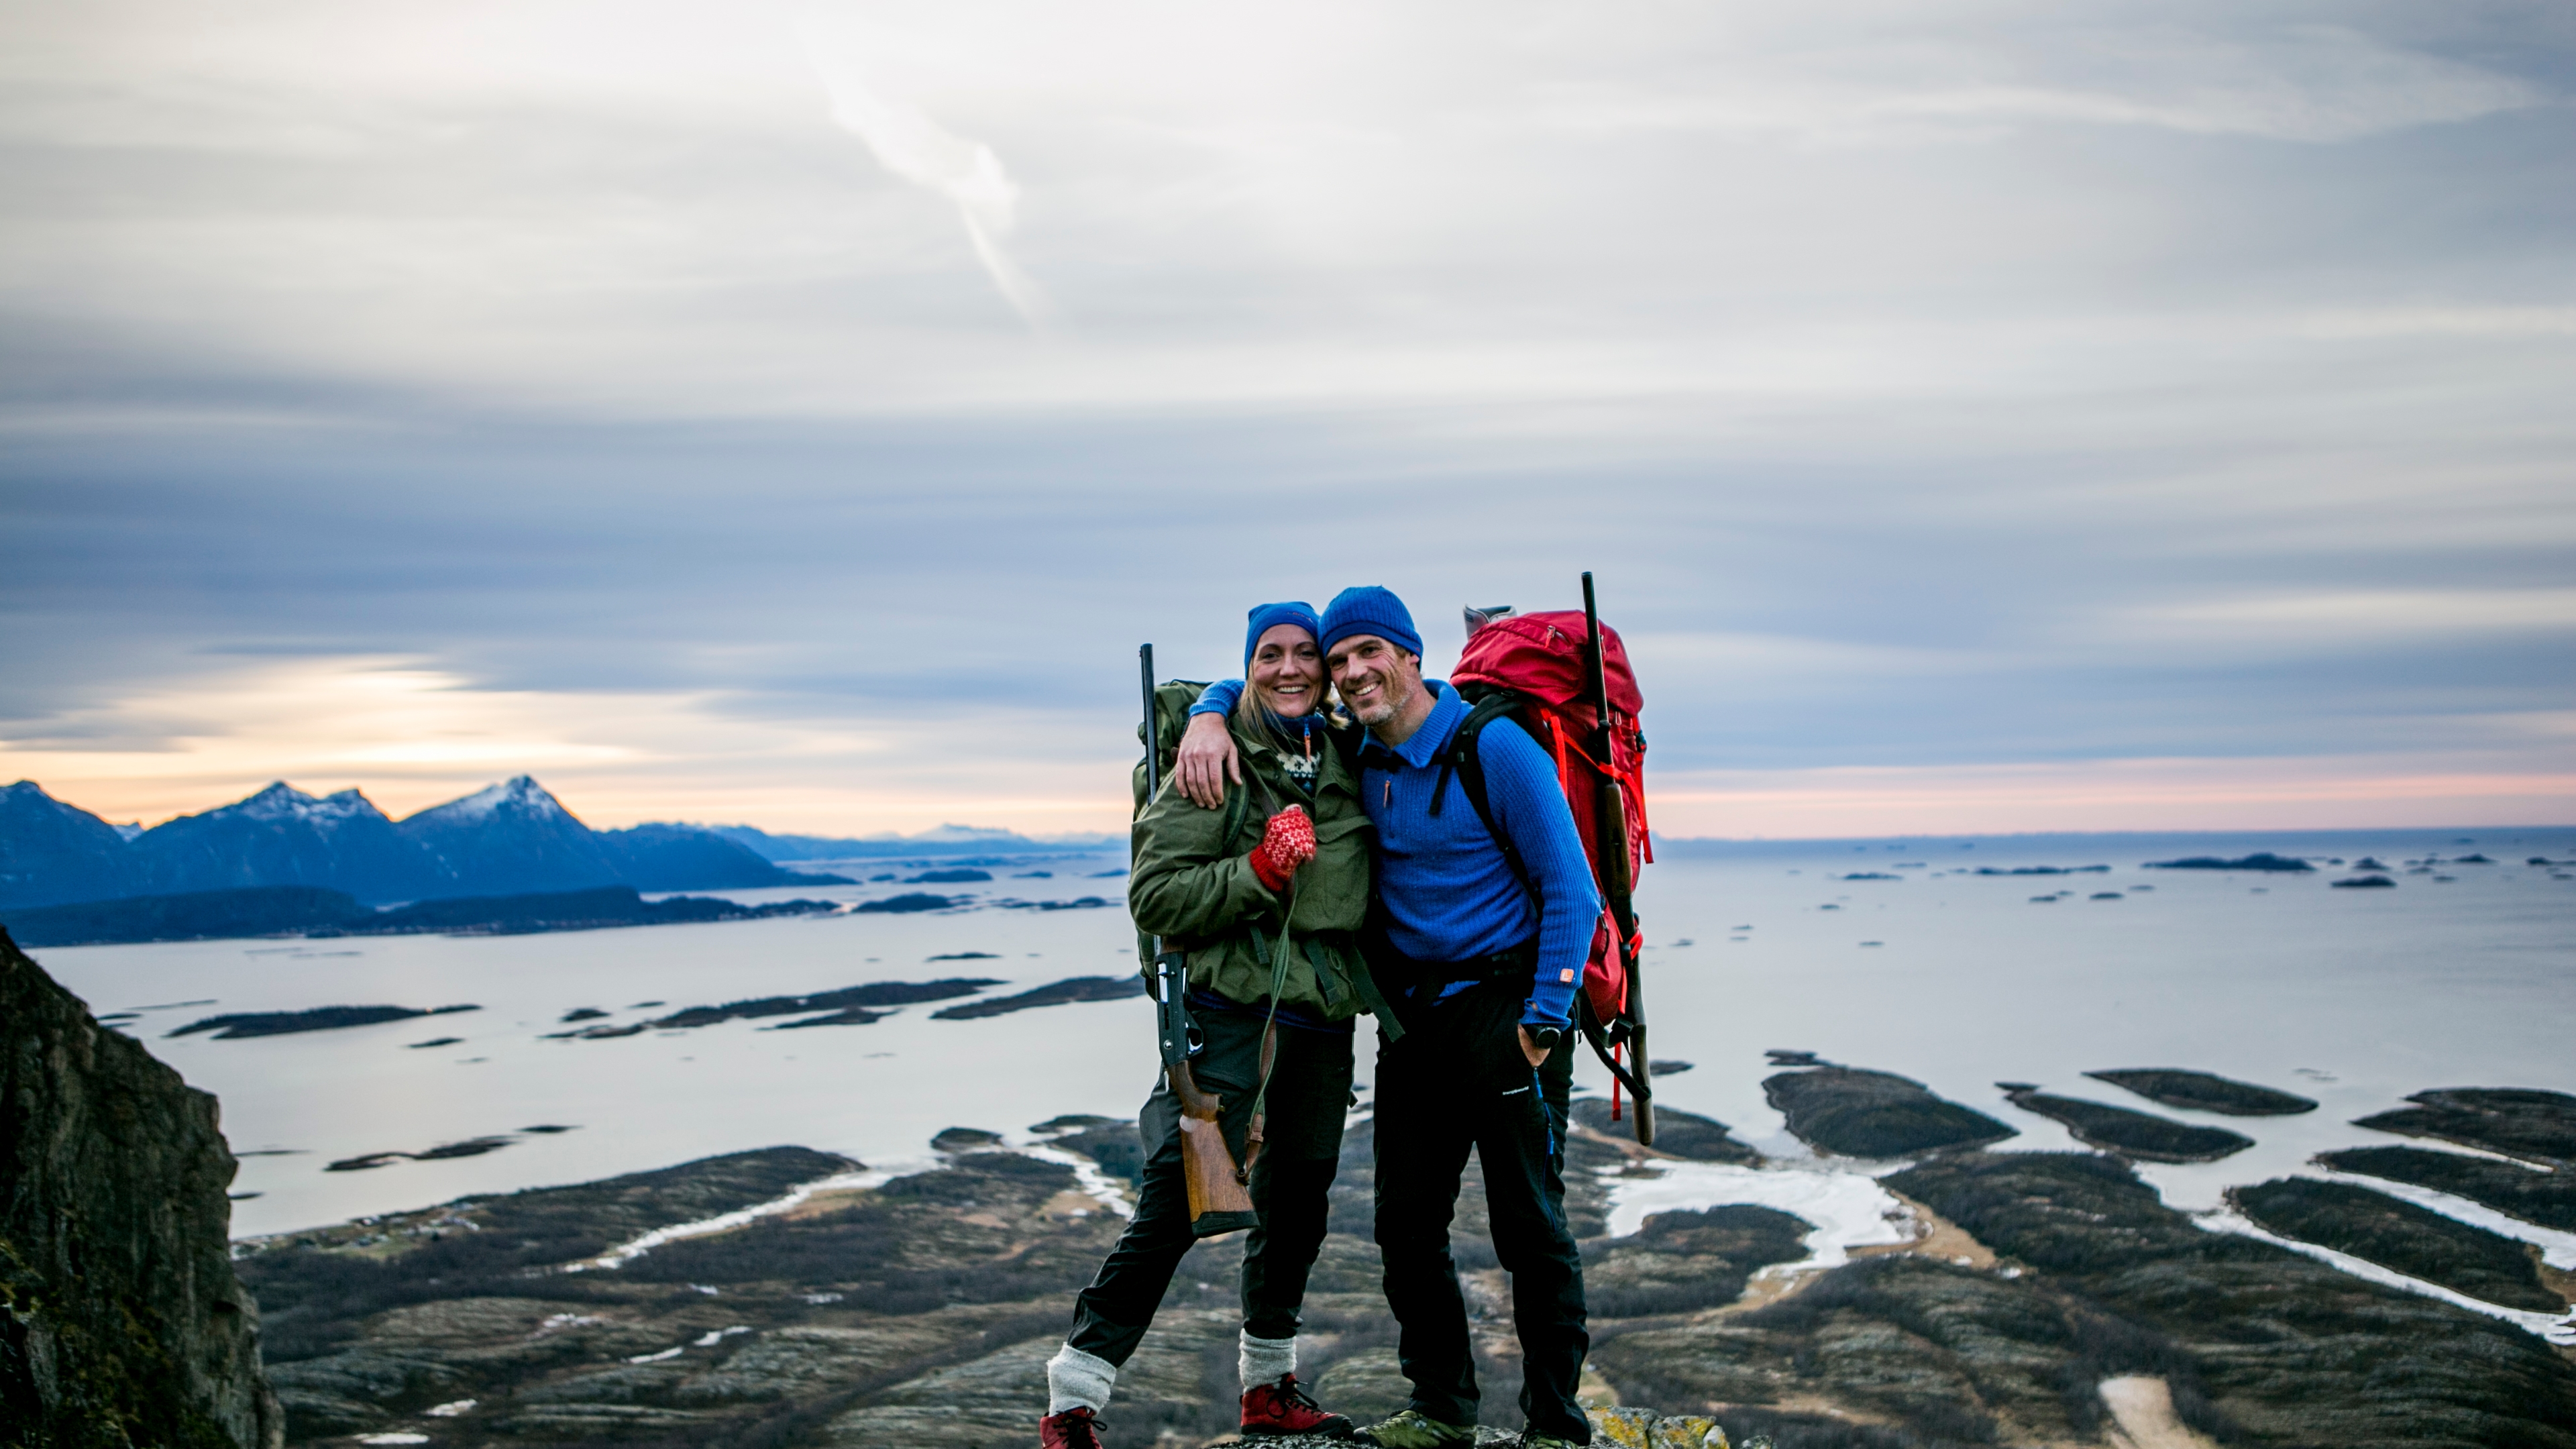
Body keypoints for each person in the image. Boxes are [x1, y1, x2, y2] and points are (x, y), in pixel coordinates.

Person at [1177, 586, 1601, 1449]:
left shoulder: (1496, 748)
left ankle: (1557, 1424)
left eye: (1368, 651)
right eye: (1339, 661)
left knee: (1530, 1227)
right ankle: (1443, 1409)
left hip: (1511, 1011)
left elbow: (1573, 889)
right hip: (1414, 1024)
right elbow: (1262, 693)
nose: (1351, 672)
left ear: (1411, 655)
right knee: (1406, 1227)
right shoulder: (1354, 752)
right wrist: (1211, 712)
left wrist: (1545, 1019)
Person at [1040, 602, 1379, 1449]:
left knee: (1296, 1209)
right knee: (1177, 1210)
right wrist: (1259, 869)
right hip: (1230, 1019)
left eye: (1308, 653)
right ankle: (1072, 1398)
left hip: (1321, 1017)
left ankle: (1269, 1390)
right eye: (1270, 655)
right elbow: (1154, 897)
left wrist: (1214, 701)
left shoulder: (1338, 749)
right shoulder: (1209, 765)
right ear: (1250, 664)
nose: (1291, 668)